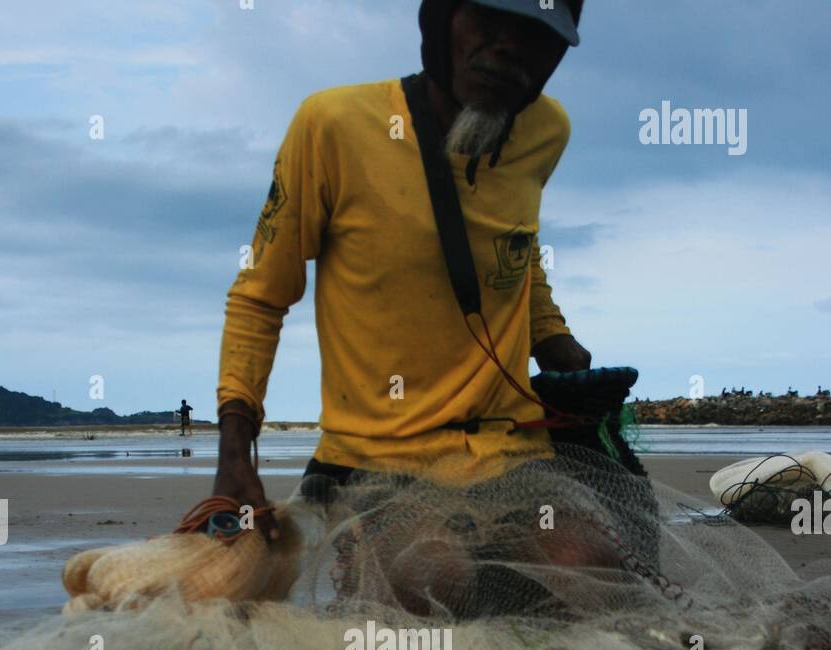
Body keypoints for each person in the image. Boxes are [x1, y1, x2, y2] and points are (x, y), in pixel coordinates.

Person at [213, 1, 628, 601]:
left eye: (535, 35)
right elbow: (259, 296)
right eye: (489, 19)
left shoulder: (546, 131)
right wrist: (234, 454)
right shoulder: (331, 125)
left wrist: (551, 334)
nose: (510, 47)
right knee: (429, 576)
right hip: (376, 460)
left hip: (510, 453)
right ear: (442, 17)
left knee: (590, 564)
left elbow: (517, 247)